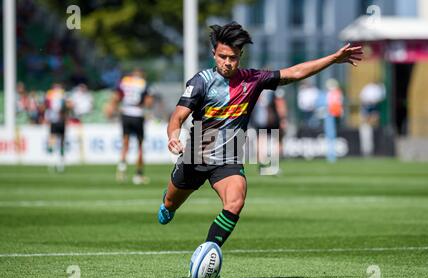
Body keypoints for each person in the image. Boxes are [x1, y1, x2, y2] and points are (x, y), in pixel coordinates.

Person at [157, 22, 362, 250]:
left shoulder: (252, 79)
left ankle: (208, 253)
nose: (227, 62)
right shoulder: (201, 82)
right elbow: (177, 117)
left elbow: (294, 73)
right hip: (196, 153)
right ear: (214, 54)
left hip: (229, 158)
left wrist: (332, 59)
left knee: (235, 202)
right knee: (170, 204)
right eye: (223, 56)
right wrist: (174, 136)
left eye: (233, 57)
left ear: (240, 55)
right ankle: (169, 204)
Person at [105, 68, 154, 185]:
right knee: (140, 146)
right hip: (137, 114)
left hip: (125, 113)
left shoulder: (124, 81)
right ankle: (138, 175)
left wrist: (112, 108)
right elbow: (149, 102)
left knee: (125, 143)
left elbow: (116, 97)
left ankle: (121, 170)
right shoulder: (143, 83)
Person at [250, 88, 288, 175]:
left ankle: (262, 165)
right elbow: (280, 102)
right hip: (272, 117)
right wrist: (283, 118)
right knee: (277, 139)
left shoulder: (258, 84)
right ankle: (273, 165)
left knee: (261, 140)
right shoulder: (275, 85)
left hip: (259, 117)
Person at [44, 83, 71, 172]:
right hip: (59, 121)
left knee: (55, 142)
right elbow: (66, 107)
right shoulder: (61, 95)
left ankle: (53, 164)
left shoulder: (50, 95)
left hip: (56, 121)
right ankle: (58, 164)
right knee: (59, 142)